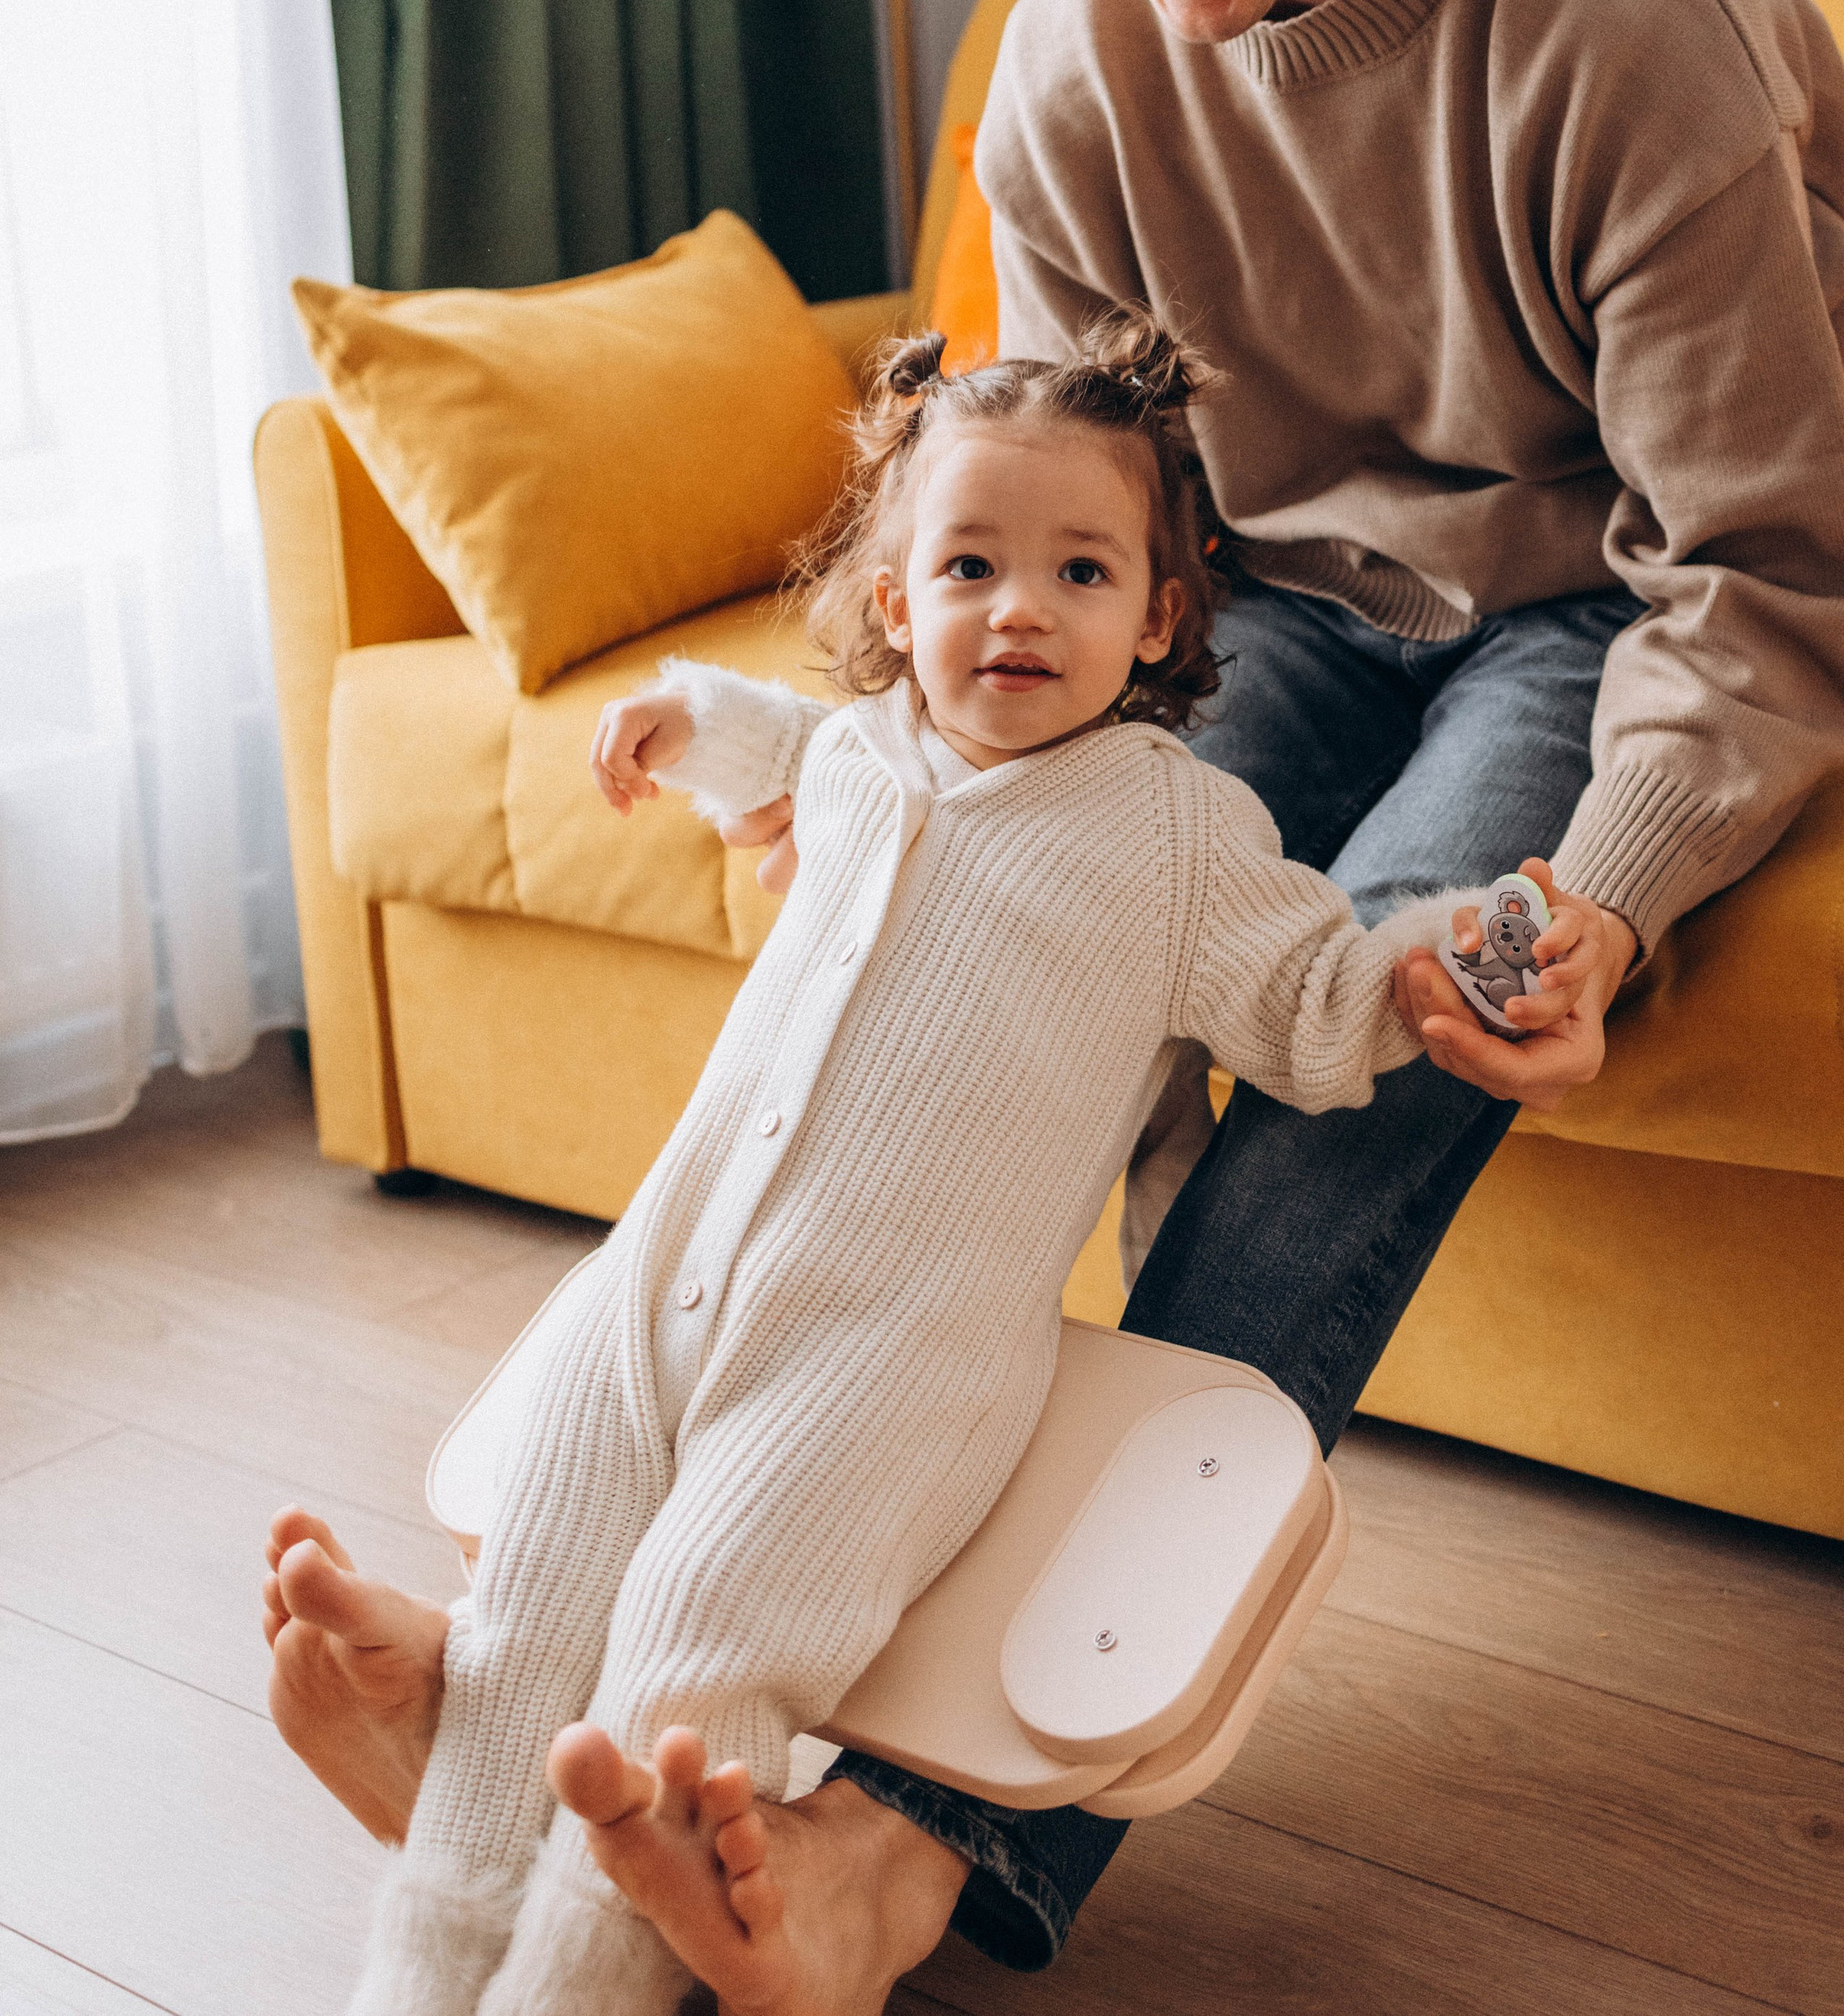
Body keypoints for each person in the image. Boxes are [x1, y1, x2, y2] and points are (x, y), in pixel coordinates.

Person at [265, 0, 1844, 2011]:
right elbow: (1058, 518)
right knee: (1020, 940)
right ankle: (574, 1680)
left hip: (1590, 603)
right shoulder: (1077, 61)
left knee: (1363, 1045)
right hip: (1252, 593)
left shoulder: (1627, 20)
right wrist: (901, 789)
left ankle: (908, 1850)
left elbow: (1773, 565)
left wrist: (1600, 906)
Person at [322, 314, 1604, 2016]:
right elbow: (786, 744)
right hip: (656, 1290)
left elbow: (1315, 997)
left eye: (1081, 572)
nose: (1019, 610)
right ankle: (422, 1964)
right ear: (895, 601)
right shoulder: (863, 754)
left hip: (877, 1376)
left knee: (693, 1657)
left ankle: (585, 1975)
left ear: (1158, 618)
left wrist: (1453, 952)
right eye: (970, 567)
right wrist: (681, 722)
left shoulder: (1168, 828)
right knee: (525, 1620)